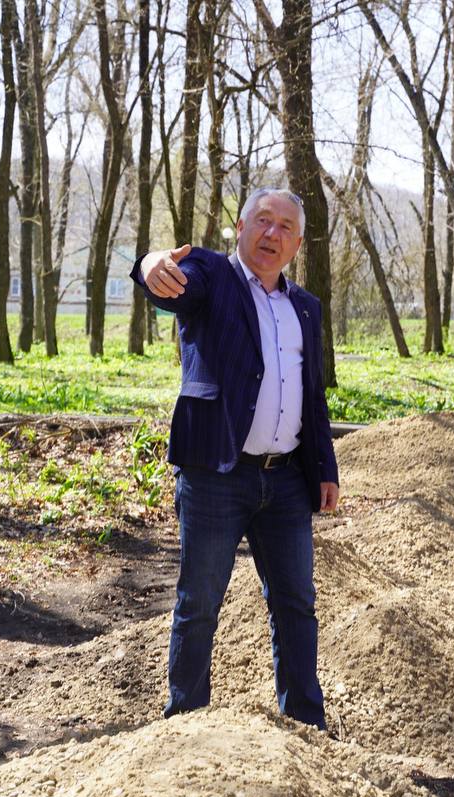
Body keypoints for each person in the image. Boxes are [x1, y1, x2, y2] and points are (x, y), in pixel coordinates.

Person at [131, 187, 340, 730]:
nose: (272, 234)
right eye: (262, 221)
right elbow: (168, 285)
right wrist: (151, 265)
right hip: (216, 474)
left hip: (287, 480)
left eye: (285, 227)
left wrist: (325, 469)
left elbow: (310, 394)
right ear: (242, 225)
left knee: (296, 606)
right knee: (199, 602)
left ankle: (304, 725)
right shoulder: (211, 275)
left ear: (298, 242)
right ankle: (184, 723)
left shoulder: (306, 308)